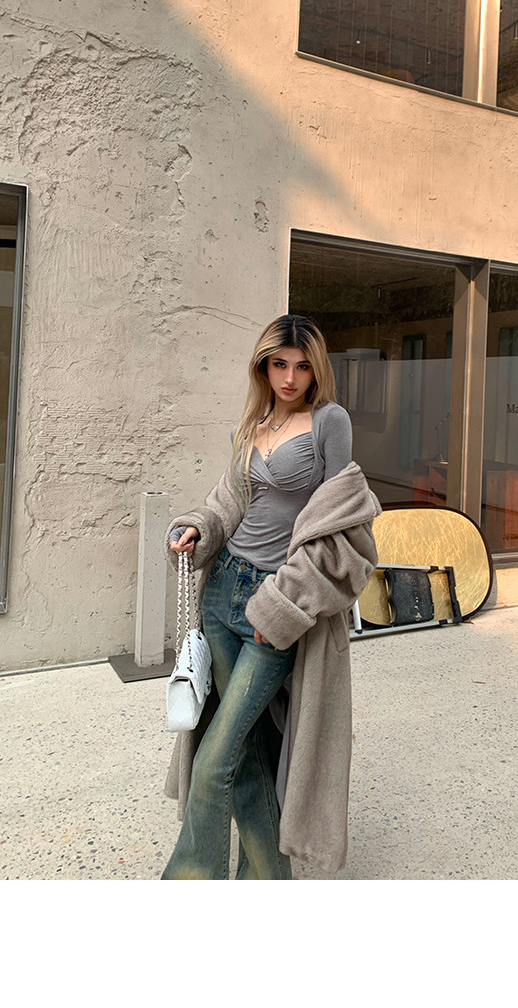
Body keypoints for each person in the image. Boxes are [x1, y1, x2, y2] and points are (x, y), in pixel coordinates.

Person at [161, 314, 380, 879]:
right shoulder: (254, 422)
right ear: (264, 367)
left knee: (214, 763)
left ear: (316, 370)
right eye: (279, 365)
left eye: (302, 367)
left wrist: (285, 605)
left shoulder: (329, 422)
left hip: (273, 605)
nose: (290, 378)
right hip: (222, 592)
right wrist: (197, 528)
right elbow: (229, 502)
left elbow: (340, 528)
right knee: (249, 759)